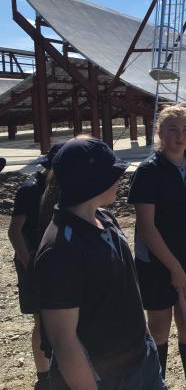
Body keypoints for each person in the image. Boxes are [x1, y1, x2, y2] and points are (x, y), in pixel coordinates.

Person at [34, 137, 164, 389]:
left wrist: (145, 339)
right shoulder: (59, 249)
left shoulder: (105, 219)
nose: (119, 179)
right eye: (112, 173)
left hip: (141, 363)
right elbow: (64, 341)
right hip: (106, 379)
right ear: (90, 181)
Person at [128, 104, 186, 390]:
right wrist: (174, 267)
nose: (180, 136)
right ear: (159, 133)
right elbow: (146, 227)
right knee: (159, 324)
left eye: (185, 130)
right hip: (157, 262)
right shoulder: (148, 171)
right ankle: (157, 382)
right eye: (172, 130)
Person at [8, 140, 64, 389]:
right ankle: (44, 378)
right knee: (42, 320)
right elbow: (14, 231)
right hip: (33, 261)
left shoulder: (67, 186)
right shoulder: (31, 188)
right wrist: (30, 265)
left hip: (59, 261)